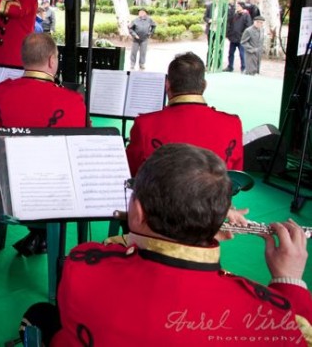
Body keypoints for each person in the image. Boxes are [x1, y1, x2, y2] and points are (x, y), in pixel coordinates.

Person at [22, 144, 312, 346]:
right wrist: (289, 280)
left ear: (138, 212)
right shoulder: (269, 313)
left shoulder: (84, 265)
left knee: (40, 314)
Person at [0, 33, 86, 255]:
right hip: (47, 195)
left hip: (6, 189)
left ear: (23, 58)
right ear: (52, 61)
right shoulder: (71, 101)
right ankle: (42, 236)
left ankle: (38, 235)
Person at [126, 52, 243, 176]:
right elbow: (236, 176)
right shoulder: (232, 123)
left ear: (167, 85)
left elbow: (131, 173)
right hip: (215, 189)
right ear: (204, 85)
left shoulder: (144, 125)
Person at [224, 2, 252, 73]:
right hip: (233, 37)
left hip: (241, 38)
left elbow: (248, 26)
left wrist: (244, 36)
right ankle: (230, 66)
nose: (237, 7)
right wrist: (229, 34)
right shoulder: (234, 15)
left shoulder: (246, 15)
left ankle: (243, 68)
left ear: (242, 7)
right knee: (231, 53)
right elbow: (229, 23)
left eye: (238, 6)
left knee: (242, 54)